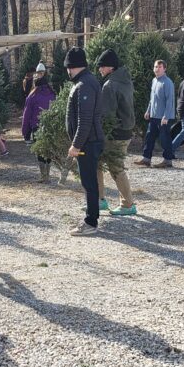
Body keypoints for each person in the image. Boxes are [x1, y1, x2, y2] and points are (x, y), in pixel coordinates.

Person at [64, 47, 105, 236]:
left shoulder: (85, 85)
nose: (67, 71)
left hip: (88, 143)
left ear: (73, 66)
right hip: (88, 142)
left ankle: (90, 222)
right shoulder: (84, 82)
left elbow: (85, 120)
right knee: (89, 182)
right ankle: (92, 216)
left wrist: (76, 145)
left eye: (68, 67)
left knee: (89, 182)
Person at [95, 49, 137, 215]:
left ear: (110, 67)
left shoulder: (109, 85)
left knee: (116, 168)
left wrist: (98, 133)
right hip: (126, 130)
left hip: (115, 134)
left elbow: (107, 115)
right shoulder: (125, 81)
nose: (99, 69)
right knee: (97, 163)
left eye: (101, 66)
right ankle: (99, 200)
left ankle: (127, 205)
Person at [135, 59, 176, 168]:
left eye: (159, 67)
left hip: (163, 118)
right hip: (153, 116)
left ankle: (168, 160)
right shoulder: (154, 80)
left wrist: (166, 116)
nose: (156, 69)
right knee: (149, 137)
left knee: (164, 138)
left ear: (164, 69)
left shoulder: (168, 83)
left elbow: (170, 101)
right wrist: (148, 110)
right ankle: (146, 159)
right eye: (155, 67)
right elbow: (152, 99)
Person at [22, 63, 56, 182]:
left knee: (40, 150)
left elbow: (26, 116)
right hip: (51, 126)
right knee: (48, 150)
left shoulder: (32, 97)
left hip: (37, 127)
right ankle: (47, 174)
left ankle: (44, 176)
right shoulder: (53, 94)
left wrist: (25, 133)